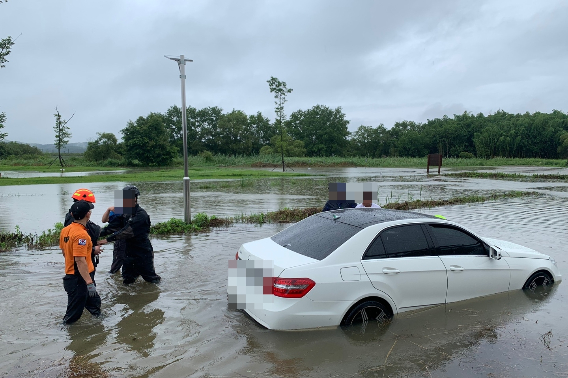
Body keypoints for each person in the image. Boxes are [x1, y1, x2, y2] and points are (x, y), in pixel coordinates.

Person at [99, 185, 161, 285]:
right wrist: (96, 234)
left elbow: (127, 231)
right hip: (128, 253)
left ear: (134, 199)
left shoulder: (141, 214)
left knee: (151, 280)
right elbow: (113, 226)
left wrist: (105, 240)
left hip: (142, 253)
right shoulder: (125, 212)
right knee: (127, 280)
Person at [60, 200, 101, 324]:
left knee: (94, 303)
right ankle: (62, 334)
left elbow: (64, 252)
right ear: (88, 214)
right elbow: (79, 260)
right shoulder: (81, 235)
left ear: (72, 214)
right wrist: (89, 283)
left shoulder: (65, 230)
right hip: (79, 278)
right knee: (73, 315)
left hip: (76, 276)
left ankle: (100, 322)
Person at [64, 189, 102, 275]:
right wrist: (93, 249)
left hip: (79, 264)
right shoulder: (75, 223)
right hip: (80, 268)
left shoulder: (73, 217)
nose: (90, 212)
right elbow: (76, 247)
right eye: (88, 208)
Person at [102, 208, 127, 274]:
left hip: (125, 238)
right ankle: (113, 274)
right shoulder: (117, 210)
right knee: (118, 259)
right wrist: (108, 210)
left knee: (120, 259)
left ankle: (113, 274)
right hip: (119, 238)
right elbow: (104, 220)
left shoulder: (133, 211)